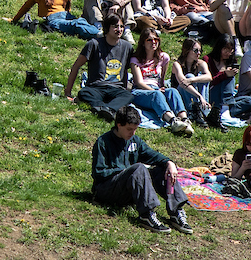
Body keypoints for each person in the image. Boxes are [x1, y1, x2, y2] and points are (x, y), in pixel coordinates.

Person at [91, 104, 191, 234]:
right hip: (106, 191)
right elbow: (99, 173)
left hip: (127, 190)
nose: (132, 133)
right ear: (119, 125)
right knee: (138, 168)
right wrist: (126, 171)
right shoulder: (103, 142)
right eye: (129, 129)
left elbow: (153, 155)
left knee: (162, 169)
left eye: (135, 129)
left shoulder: (135, 141)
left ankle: (176, 211)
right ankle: (147, 214)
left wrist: (169, 163)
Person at [65, 12, 135, 120]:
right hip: (96, 88)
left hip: (116, 88)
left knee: (128, 95)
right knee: (84, 93)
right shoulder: (94, 44)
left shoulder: (127, 47)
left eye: (121, 26)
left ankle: (106, 109)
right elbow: (76, 66)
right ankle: (106, 108)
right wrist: (68, 92)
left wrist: (124, 88)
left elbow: (125, 71)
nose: (119, 29)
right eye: (115, 26)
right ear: (107, 28)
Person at [128, 28, 194, 134]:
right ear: (143, 43)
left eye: (156, 39)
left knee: (173, 91)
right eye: (149, 40)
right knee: (156, 94)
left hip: (156, 88)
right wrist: (157, 91)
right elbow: (139, 82)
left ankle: (185, 120)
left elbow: (161, 79)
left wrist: (161, 88)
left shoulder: (163, 58)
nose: (153, 42)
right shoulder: (135, 60)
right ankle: (173, 121)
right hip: (140, 91)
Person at [170, 38, 213, 124]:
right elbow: (183, 82)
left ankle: (202, 110)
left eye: (200, 50)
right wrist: (200, 96)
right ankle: (193, 111)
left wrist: (191, 80)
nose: (199, 53)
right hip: (182, 97)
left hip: (197, 97)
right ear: (187, 51)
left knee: (202, 79)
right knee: (190, 75)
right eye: (196, 50)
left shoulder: (201, 64)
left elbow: (209, 77)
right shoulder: (177, 64)